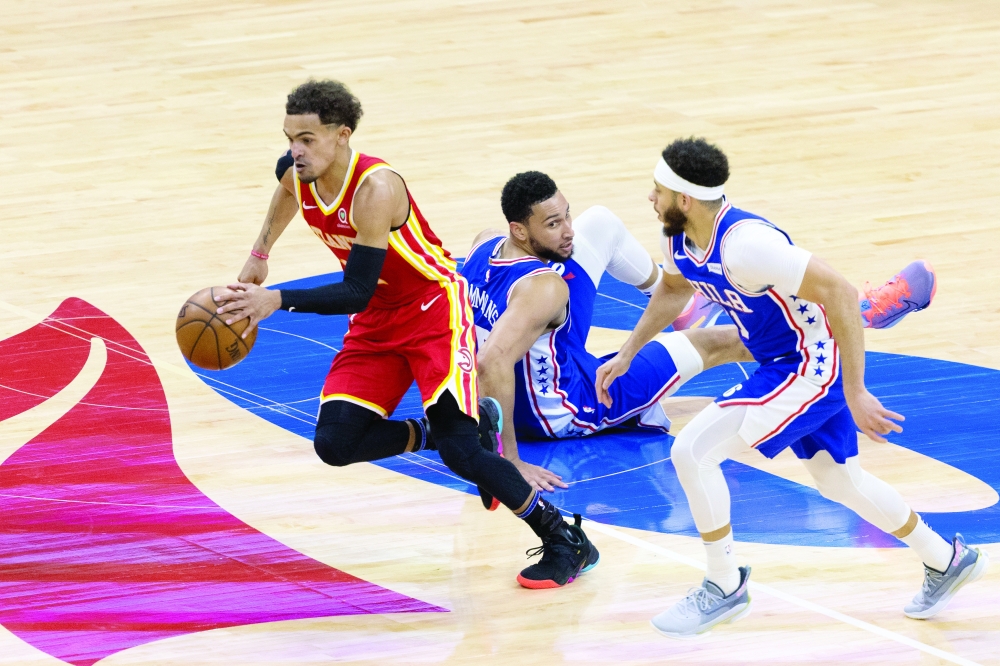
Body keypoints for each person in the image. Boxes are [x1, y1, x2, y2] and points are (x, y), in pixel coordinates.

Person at [213, 79, 598, 589]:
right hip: (379, 316)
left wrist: (275, 300)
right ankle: (433, 433)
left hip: (432, 311)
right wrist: (260, 254)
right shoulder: (297, 171)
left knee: (465, 455)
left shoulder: (375, 188)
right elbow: (287, 191)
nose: (295, 150)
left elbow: (354, 288)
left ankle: (564, 540)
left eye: (307, 138)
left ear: (342, 135)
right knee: (335, 442)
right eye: (290, 137)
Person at [595, 138, 988, 638]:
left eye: (657, 192)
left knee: (692, 452)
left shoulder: (746, 245)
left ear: (685, 199)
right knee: (838, 481)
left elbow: (841, 292)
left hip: (808, 363)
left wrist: (856, 390)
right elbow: (673, 290)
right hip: (779, 357)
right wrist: (628, 352)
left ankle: (724, 584)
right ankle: (945, 558)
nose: (650, 199)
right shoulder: (678, 237)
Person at [464, 171, 935, 494]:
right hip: (564, 408)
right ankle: (859, 312)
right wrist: (508, 459)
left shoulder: (484, 247)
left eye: (565, 215)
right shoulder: (545, 290)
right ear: (520, 231)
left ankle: (684, 301)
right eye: (553, 223)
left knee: (601, 222)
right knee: (717, 342)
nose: (567, 230)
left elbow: (471, 344)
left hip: (546, 358)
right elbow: (492, 362)